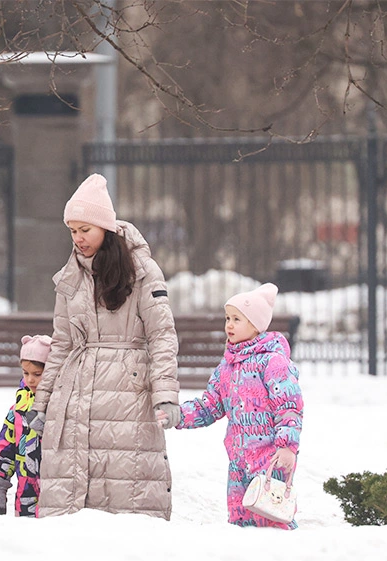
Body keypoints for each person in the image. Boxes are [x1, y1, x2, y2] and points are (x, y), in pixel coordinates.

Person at [28, 173, 181, 519]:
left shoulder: (142, 271)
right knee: (71, 496)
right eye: (72, 231)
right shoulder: (70, 277)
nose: (78, 239)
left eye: (85, 230)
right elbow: (62, 342)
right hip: (76, 392)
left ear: (105, 228)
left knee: (126, 484)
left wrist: (165, 394)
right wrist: (43, 402)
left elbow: (161, 335)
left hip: (128, 394)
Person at [156, 283, 303, 529]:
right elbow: (209, 406)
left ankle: (284, 550)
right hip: (238, 460)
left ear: (255, 324)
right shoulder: (227, 367)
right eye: (227, 318)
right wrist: (179, 415)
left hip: (271, 458)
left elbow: (289, 408)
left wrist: (287, 446)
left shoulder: (273, 363)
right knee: (240, 518)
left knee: (271, 514)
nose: (229, 325)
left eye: (237, 319)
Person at [0, 335, 52, 517]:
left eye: (37, 374)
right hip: (26, 494)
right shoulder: (18, 408)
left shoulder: (62, 406)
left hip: (55, 493)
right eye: (26, 373)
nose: (30, 380)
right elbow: (7, 447)